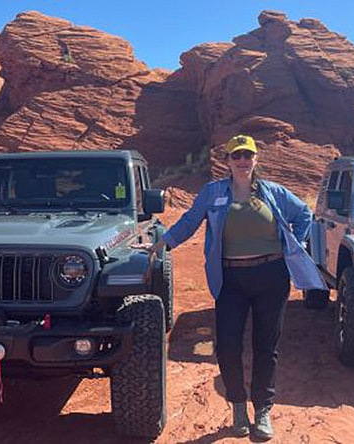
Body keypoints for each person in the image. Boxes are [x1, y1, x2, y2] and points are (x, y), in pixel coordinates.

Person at [140, 134, 326, 440]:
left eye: (247, 155)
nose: (242, 161)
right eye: (236, 156)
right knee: (227, 347)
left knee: (266, 347)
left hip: (271, 276)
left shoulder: (273, 192)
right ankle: (238, 407)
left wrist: (293, 244)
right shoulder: (213, 193)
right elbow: (190, 220)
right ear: (227, 161)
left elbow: (304, 214)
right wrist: (163, 243)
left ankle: (263, 412)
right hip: (231, 280)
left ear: (256, 160)